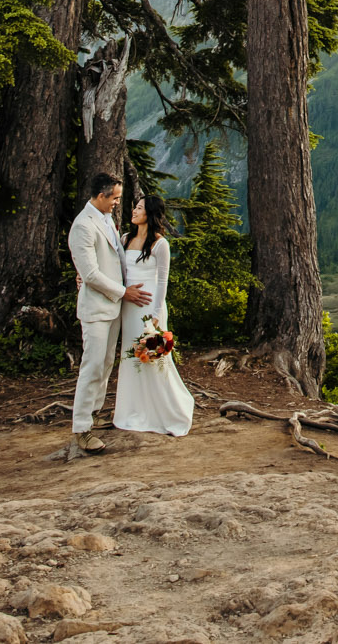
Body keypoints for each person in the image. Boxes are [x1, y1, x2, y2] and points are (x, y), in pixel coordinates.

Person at [58, 171, 148, 460]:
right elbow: (92, 274)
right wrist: (124, 292)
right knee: (92, 365)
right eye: (115, 198)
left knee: (107, 363)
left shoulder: (106, 219)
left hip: (112, 308)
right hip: (97, 309)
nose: (117, 204)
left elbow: (114, 256)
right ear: (100, 195)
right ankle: (81, 428)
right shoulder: (83, 226)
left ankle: (94, 414)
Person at [112, 191, 195, 437]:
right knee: (131, 356)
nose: (134, 211)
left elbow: (162, 281)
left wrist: (158, 314)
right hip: (129, 305)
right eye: (135, 207)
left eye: (139, 208)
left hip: (150, 309)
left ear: (150, 213)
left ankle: (170, 411)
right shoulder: (125, 238)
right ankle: (132, 411)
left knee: (154, 357)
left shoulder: (160, 244)